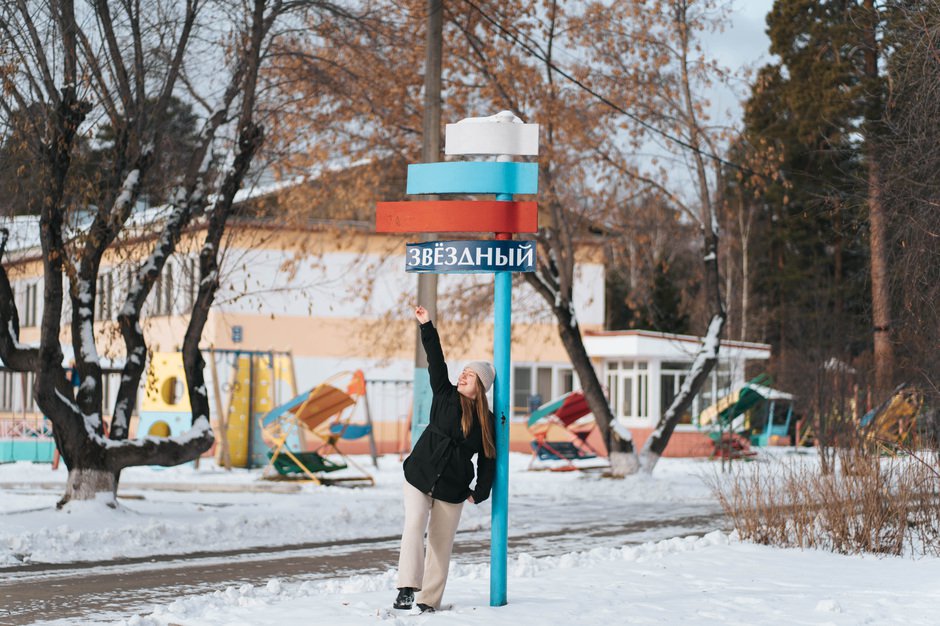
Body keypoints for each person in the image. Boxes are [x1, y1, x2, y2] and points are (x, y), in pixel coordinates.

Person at [393, 305, 496, 613]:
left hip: (453, 486)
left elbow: (488, 459)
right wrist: (427, 325)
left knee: (440, 543)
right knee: (414, 525)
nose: (463, 375)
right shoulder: (444, 393)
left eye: (471, 374)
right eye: (463, 371)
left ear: (481, 386)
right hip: (420, 474)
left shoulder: (486, 422)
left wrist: (480, 491)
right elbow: (436, 359)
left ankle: (428, 600)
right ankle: (406, 588)